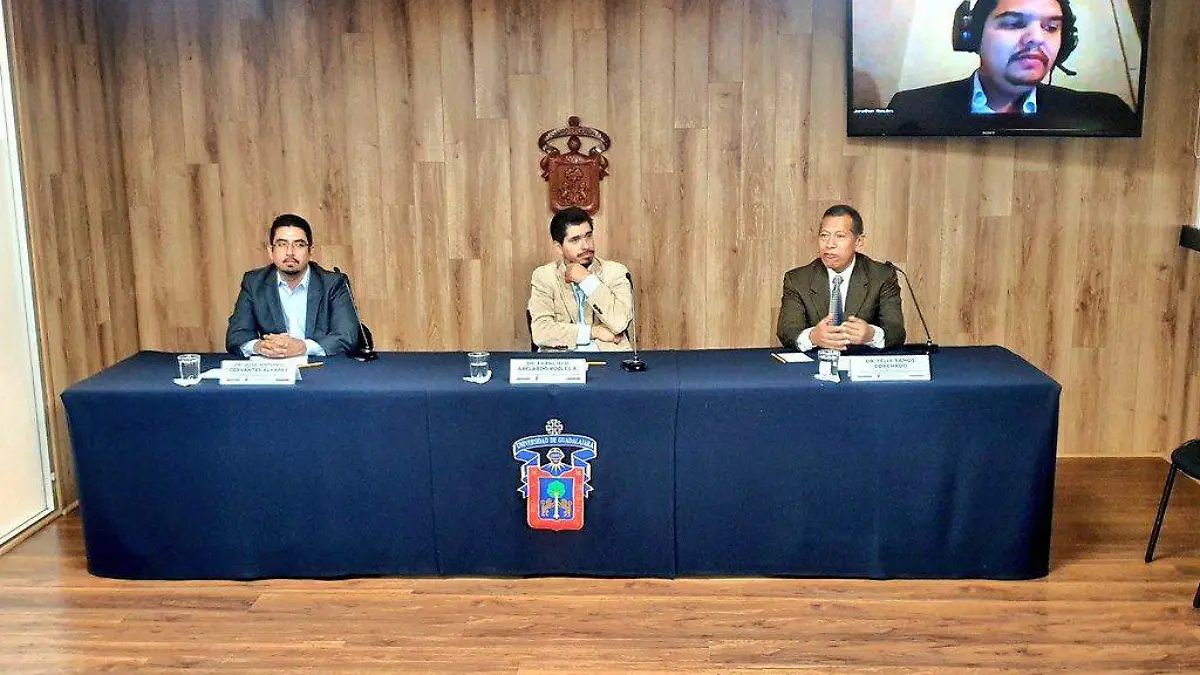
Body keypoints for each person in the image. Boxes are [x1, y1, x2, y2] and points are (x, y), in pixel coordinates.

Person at [886, 0, 1136, 131]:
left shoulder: (1107, 115)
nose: (1037, 38)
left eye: (1051, 27)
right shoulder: (910, 109)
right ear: (973, 36)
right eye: (1014, 23)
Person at [225, 213, 360, 358]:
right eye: (282, 244)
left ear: (310, 252)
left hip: (322, 366)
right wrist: (259, 346)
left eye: (299, 245)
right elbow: (236, 336)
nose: (290, 252)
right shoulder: (254, 283)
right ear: (271, 251)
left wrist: (304, 347)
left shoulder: (333, 283)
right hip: (275, 366)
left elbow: (347, 335)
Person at [776, 205, 905, 352]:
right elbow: (787, 330)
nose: (829, 244)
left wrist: (871, 335)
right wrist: (812, 337)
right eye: (824, 235)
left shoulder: (882, 276)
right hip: (816, 360)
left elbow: (896, 331)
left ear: (859, 242)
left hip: (861, 360)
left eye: (840, 236)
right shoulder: (797, 280)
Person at [528, 207, 633, 352]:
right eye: (575, 240)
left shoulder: (616, 272)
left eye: (588, 236)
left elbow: (620, 323)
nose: (586, 246)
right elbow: (541, 333)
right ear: (558, 247)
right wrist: (593, 332)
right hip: (562, 359)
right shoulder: (544, 276)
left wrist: (587, 280)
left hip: (608, 356)